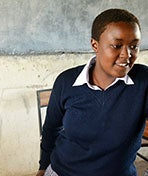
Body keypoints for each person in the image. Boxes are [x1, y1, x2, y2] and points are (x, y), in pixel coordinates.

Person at [37, 8, 148, 176]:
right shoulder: (67, 81)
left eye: (134, 46)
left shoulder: (143, 81)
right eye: (117, 46)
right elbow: (51, 129)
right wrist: (43, 167)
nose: (127, 55)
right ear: (95, 45)